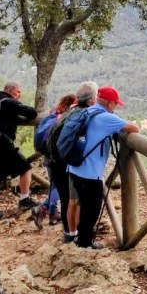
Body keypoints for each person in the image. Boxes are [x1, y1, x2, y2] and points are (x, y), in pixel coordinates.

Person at [66, 85, 139, 249]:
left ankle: (81, 240)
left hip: (75, 167)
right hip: (90, 174)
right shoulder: (106, 117)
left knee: (84, 205)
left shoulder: (87, 111)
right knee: (91, 211)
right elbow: (134, 129)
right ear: (110, 103)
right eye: (115, 104)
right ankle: (84, 244)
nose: (115, 107)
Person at [0, 81, 39, 220]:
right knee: (25, 167)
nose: (19, 95)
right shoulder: (9, 102)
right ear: (10, 90)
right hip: (3, 143)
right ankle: (24, 199)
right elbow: (32, 112)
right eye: (18, 92)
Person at [58, 82, 97, 244]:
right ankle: (81, 239)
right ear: (91, 101)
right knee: (80, 201)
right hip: (78, 164)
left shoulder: (70, 112)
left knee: (70, 200)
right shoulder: (88, 115)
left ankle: (70, 234)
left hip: (63, 160)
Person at [38, 92, 77, 227]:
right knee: (58, 187)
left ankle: (51, 213)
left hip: (48, 155)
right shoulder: (67, 116)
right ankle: (44, 209)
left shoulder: (54, 112)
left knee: (55, 184)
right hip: (58, 158)